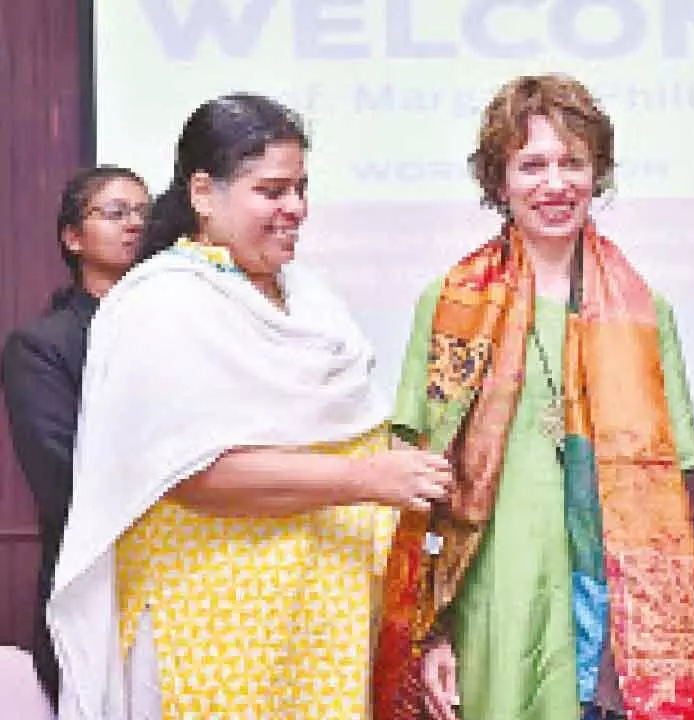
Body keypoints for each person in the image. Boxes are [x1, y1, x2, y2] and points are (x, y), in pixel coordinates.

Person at [47, 93, 453, 719]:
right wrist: (364, 479)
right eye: (272, 190)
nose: (296, 208)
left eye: (301, 188)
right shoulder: (161, 304)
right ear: (204, 193)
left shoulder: (310, 296)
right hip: (212, 628)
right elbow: (193, 476)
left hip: (321, 626)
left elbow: (355, 430)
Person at [372, 74, 694, 720]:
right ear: (499, 183)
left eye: (573, 163)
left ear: (598, 174)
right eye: (531, 165)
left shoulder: (646, 311)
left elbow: (668, 497)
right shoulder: (450, 305)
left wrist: (651, 645)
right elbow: (418, 492)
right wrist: (433, 634)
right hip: (489, 614)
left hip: (614, 635)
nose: (555, 184)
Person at [1, 165, 149, 705]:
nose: (134, 224)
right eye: (115, 212)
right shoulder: (42, 345)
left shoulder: (172, 328)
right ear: (73, 236)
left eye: (142, 212)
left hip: (178, 578)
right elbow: (59, 480)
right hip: (92, 580)